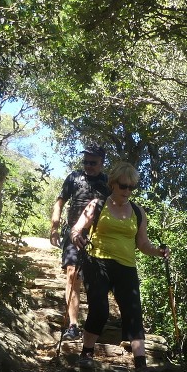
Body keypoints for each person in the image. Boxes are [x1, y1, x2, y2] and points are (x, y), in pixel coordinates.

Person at [68, 162, 169, 372]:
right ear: (113, 183)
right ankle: (86, 354)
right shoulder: (98, 204)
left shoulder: (137, 211)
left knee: (133, 313)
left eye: (132, 187)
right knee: (100, 309)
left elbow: (143, 244)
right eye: (124, 186)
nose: (127, 191)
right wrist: (76, 236)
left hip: (126, 266)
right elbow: (77, 228)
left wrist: (158, 252)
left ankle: (141, 368)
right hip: (97, 262)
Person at [49, 145, 111, 342]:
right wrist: (55, 226)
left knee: (94, 281)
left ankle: (93, 328)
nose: (88, 166)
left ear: (102, 163)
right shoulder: (74, 178)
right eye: (85, 162)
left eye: (93, 162)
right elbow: (60, 202)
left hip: (98, 236)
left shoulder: (108, 182)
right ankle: (73, 325)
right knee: (72, 275)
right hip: (73, 234)